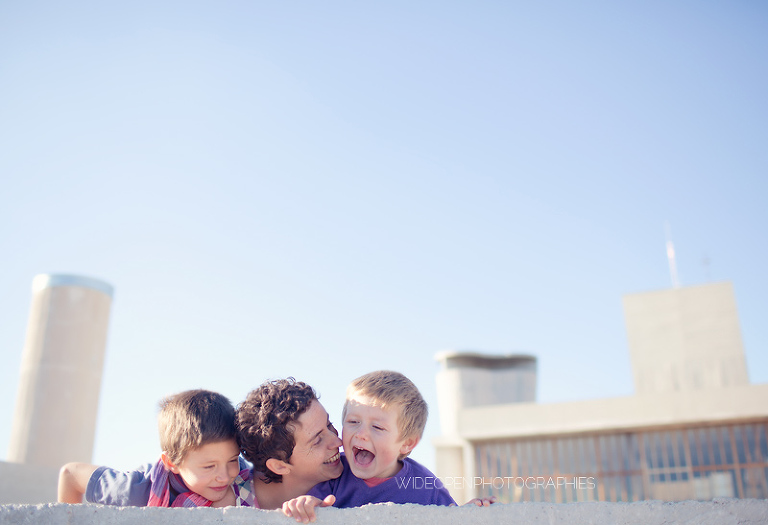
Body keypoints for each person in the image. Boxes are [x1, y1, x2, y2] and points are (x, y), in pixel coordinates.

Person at [283, 371, 493, 522]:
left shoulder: (425, 486)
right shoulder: (335, 474)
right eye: (353, 422)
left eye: (377, 427)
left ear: (407, 443)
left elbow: (451, 517)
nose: (361, 434)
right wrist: (305, 504)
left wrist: (469, 511)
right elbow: (313, 505)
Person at [58, 389, 253, 507]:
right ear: (172, 462)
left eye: (232, 460)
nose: (224, 476)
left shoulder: (242, 475)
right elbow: (71, 474)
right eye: (209, 466)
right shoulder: (136, 491)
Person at [235, 378, 344, 509]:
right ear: (279, 466)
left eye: (329, 424)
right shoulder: (231, 498)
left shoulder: (355, 473)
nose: (338, 442)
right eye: (317, 441)